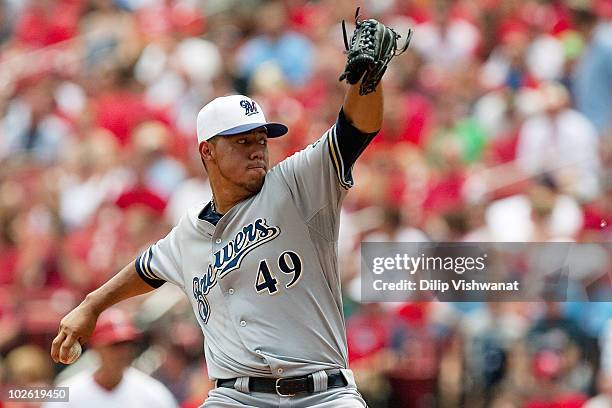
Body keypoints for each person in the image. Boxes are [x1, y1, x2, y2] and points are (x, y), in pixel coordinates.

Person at [51, 13, 399, 407]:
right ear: (208, 151)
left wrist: (367, 82)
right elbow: (145, 270)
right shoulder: (188, 234)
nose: (256, 148)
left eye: (261, 139)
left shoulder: (297, 184)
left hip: (323, 394)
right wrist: (91, 305)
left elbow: (355, 130)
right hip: (236, 398)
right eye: (241, 141)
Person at [45, 308, 178, 408]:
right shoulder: (69, 393)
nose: (123, 351)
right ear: (95, 346)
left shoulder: (153, 393)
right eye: (114, 345)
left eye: (127, 344)